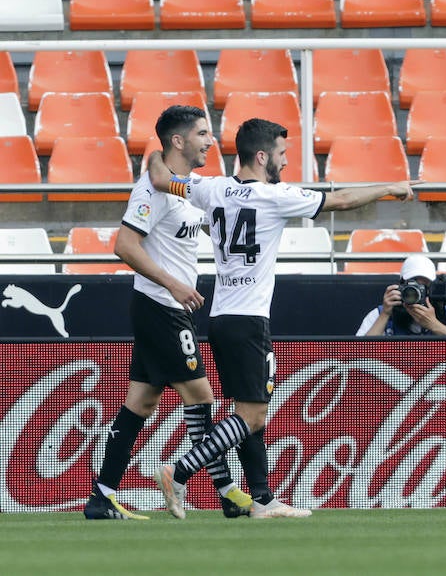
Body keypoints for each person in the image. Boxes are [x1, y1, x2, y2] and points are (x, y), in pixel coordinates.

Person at [148, 118, 415, 519]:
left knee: (247, 412)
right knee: (252, 415)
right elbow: (340, 200)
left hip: (220, 319)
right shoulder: (276, 196)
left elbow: (158, 176)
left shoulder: (211, 187)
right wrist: (391, 188)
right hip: (249, 320)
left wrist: (155, 151)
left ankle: (262, 499)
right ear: (262, 156)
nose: (286, 162)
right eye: (282, 154)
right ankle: (180, 470)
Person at [83, 105, 253, 521]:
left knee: (140, 402)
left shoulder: (185, 187)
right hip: (160, 307)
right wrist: (173, 284)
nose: (210, 140)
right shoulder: (152, 190)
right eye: (202, 133)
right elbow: (124, 245)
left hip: (169, 308)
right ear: (178, 141)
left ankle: (101, 497)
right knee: (202, 397)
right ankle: (227, 491)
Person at [357, 254, 446, 337]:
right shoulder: (380, 313)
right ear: (400, 286)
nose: (417, 293)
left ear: (432, 289)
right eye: (413, 286)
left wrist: (434, 325)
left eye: (424, 287)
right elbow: (357, 356)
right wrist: (385, 314)